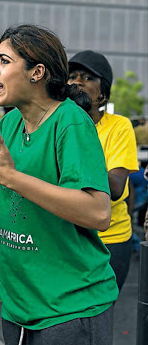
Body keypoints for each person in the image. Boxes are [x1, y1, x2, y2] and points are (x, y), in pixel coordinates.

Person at [0, 24, 117, 345]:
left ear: (37, 72)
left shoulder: (70, 123)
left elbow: (98, 213)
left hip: (70, 309)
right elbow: (4, 206)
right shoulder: (8, 124)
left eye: (3, 61)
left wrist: (13, 177)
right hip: (19, 307)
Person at [68, 50, 138, 293]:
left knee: (98, 318)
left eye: (87, 78)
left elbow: (116, 188)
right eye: (73, 76)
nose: (77, 81)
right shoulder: (57, 126)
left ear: (103, 93)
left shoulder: (119, 127)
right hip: (67, 240)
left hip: (109, 242)